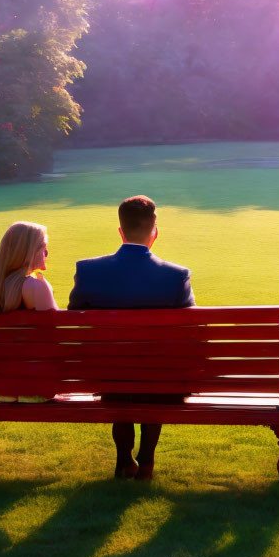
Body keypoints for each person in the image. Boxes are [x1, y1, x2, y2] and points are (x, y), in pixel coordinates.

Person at [68, 195, 194, 481]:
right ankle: (146, 460)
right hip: (160, 378)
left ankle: (124, 460)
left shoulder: (88, 271)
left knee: (119, 375)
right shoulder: (176, 276)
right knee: (156, 377)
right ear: (155, 232)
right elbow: (191, 331)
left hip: (106, 375)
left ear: (121, 231)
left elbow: (73, 316)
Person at [0, 221, 58, 402]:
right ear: (28, 253)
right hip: (36, 387)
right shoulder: (36, 287)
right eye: (44, 248)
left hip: (0, 388)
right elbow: (57, 336)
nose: (47, 253)